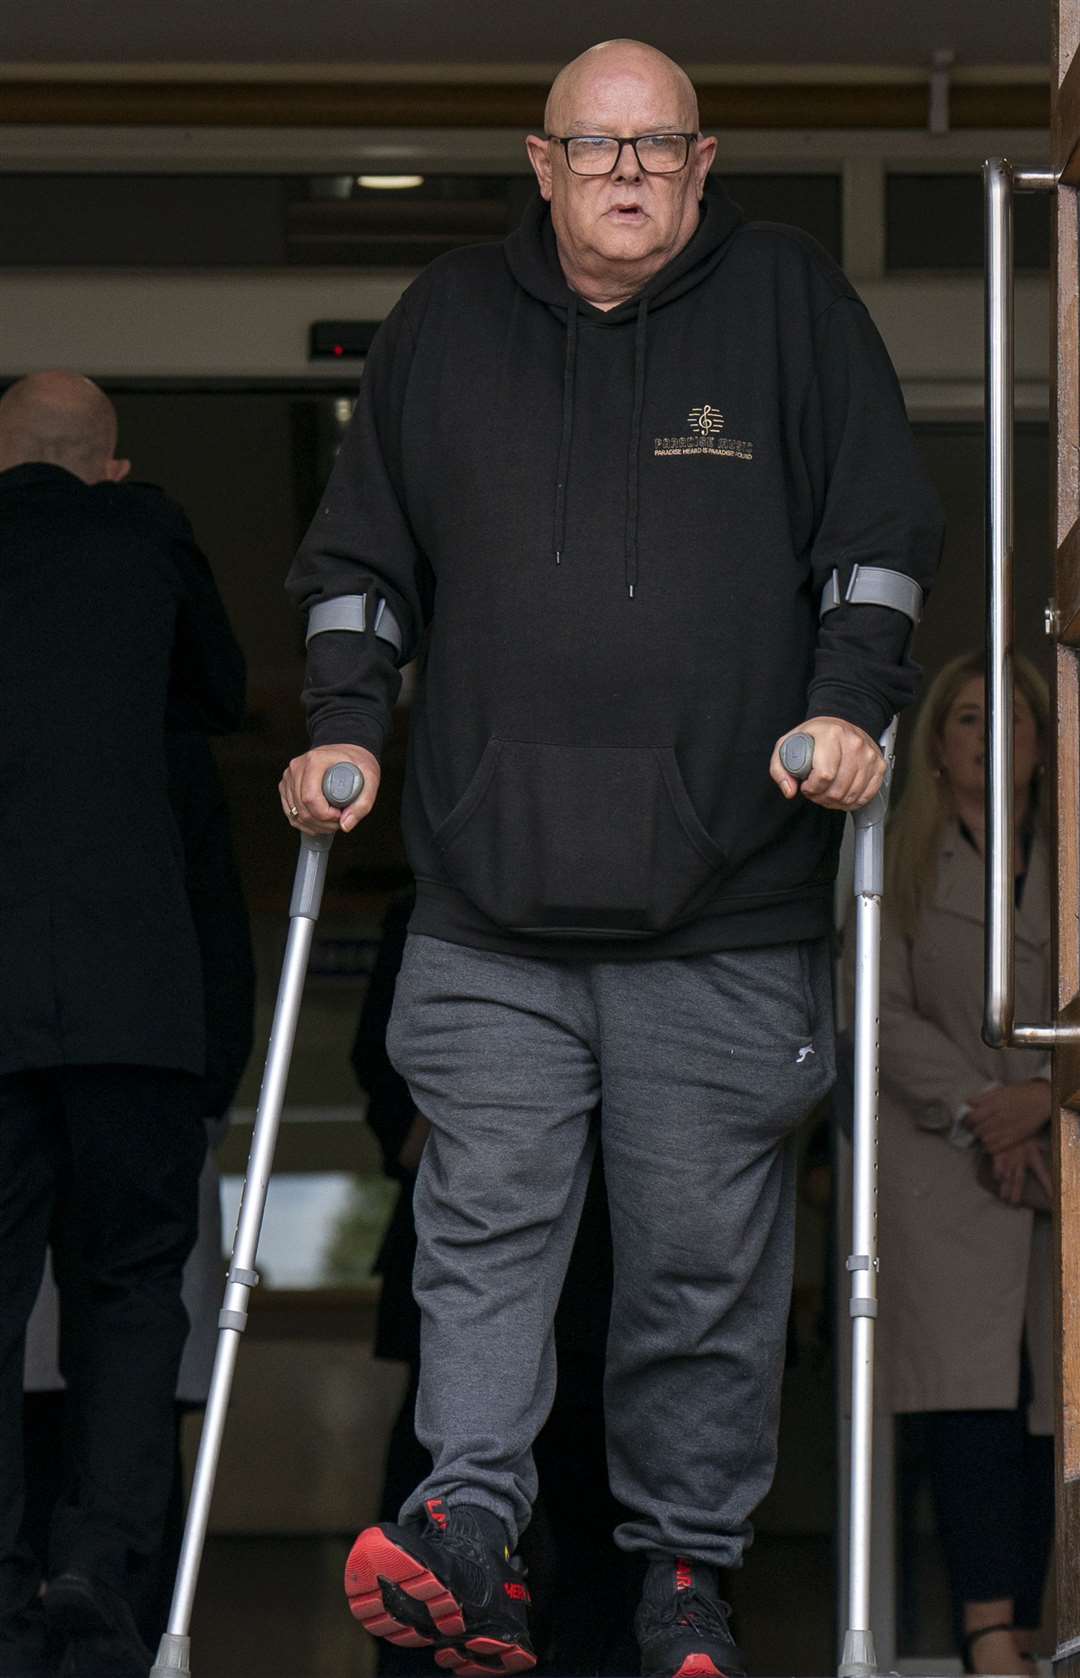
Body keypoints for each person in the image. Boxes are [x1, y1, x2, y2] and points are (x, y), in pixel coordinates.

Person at [280, 39, 943, 1678]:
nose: (628, 169)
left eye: (657, 146)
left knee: (699, 1274)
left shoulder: (792, 306)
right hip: (493, 907)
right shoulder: (444, 323)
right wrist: (347, 721)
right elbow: (362, 563)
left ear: (705, 164)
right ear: (543, 158)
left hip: (725, 906)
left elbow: (875, 539)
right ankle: (473, 1521)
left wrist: (850, 707)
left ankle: (683, 1579)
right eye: (596, 144)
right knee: (483, 1236)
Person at [0, 373, 245, 1678]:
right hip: (134, 1004)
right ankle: (101, 1559)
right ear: (110, 463)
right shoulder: (143, 532)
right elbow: (222, 684)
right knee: (134, 1291)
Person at [21, 727, 255, 1653]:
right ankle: (100, 1593)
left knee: (114, 1385)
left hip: (118, 1082)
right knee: (129, 1359)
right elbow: (221, 943)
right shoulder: (165, 759)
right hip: (142, 1068)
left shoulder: (160, 759)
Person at [875, 652, 1053, 1678]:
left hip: (1056, 1163)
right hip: (948, 1168)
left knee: (1051, 1405)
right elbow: (877, 1016)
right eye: (972, 718)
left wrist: (1043, 1103)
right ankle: (990, 1632)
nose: (994, 737)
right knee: (969, 1402)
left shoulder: (1072, 857)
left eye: (1017, 720)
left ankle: (1043, 1619)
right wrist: (988, 1110)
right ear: (939, 747)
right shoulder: (898, 857)